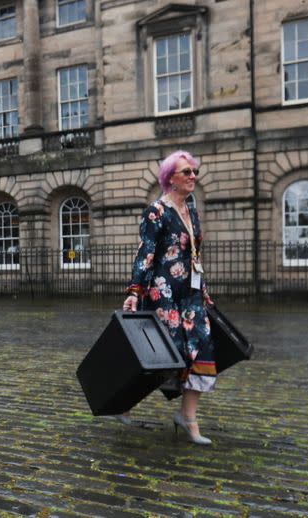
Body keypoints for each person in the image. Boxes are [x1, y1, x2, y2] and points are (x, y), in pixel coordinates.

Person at [122, 150, 216, 445]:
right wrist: (134, 291)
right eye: (186, 172)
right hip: (163, 294)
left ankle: (188, 418)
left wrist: (203, 292)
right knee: (165, 357)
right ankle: (122, 401)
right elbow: (145, 253)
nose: (193, 177)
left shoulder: (192, 210)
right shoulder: (156, 212)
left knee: (202, 353)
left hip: (191, 295)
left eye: (194, 171)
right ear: (170, 179)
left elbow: (194, 254)